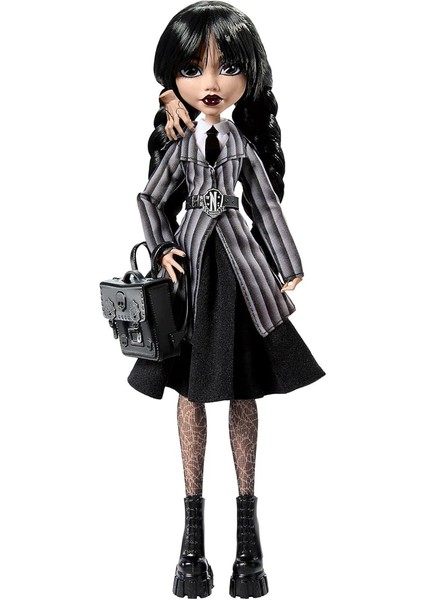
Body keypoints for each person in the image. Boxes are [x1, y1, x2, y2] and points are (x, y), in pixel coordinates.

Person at [127, 2, 325, 597]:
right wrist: (162, 246)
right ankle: (191, 538)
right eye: (194, 69)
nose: (210, 82)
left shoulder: (241, 145)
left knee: (242, 389)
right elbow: (149, 198)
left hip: (241, 274)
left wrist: (287, 264)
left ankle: (247, 538)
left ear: (248, 74)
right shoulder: (180, 145)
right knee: (190, 392)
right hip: (191, 278)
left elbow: (264, 203)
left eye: (226, 67)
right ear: (174, 79)